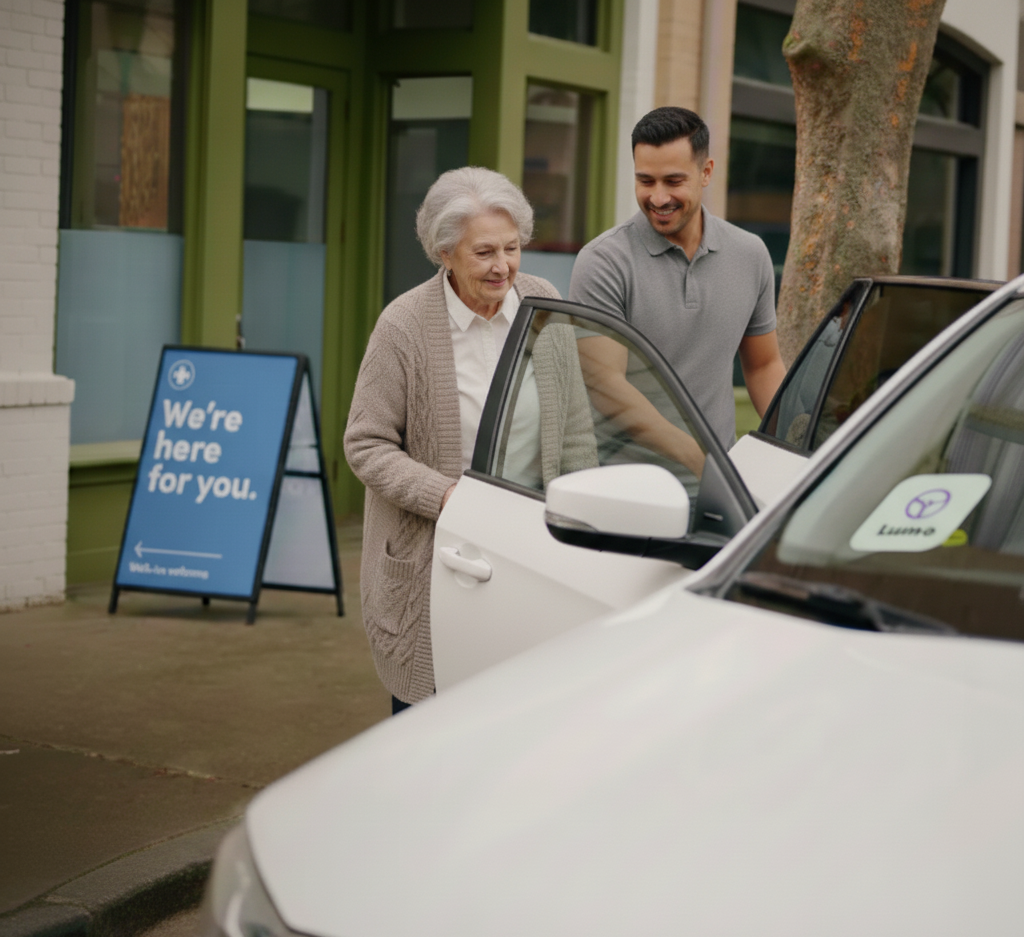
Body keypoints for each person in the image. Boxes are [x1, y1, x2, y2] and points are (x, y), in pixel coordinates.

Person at [343, 167, 595, 713]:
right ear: (444, 253)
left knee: (523, 719)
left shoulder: (543, 303)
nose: (502, 266)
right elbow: (366, 443)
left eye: (512, 248)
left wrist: (584, 530)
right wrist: (449, 499)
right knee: (431, 730)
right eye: (483, 253)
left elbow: (574, 431)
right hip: (441, 563)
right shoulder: (403, 325)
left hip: (532, 551)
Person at [569, 106, 786, 450]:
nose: (658, 197)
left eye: (673, 181)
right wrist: (697, 457)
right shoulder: (603, 261)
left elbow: (763, 367)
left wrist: (799, 448)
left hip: (717, 482)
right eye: (645, 181)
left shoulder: (750, 254)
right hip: (623, 483)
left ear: (706, 171)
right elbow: (607, 388)